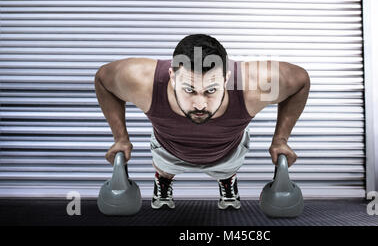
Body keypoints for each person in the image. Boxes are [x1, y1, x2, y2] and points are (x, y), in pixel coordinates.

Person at [95, 34, 310, 210]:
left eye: (211, 90)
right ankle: (164, 180)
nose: (200, 104)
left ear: (226, 79)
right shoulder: (144, 82)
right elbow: (103, 80)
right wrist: (120, 138)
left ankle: (227, 180)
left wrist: (280, 140)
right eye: (189, 90)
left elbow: (300, 81)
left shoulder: (252, 85)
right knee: (164, 166)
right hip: (168, 149)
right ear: (172, 76)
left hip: (227, 152)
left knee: (226, 169)